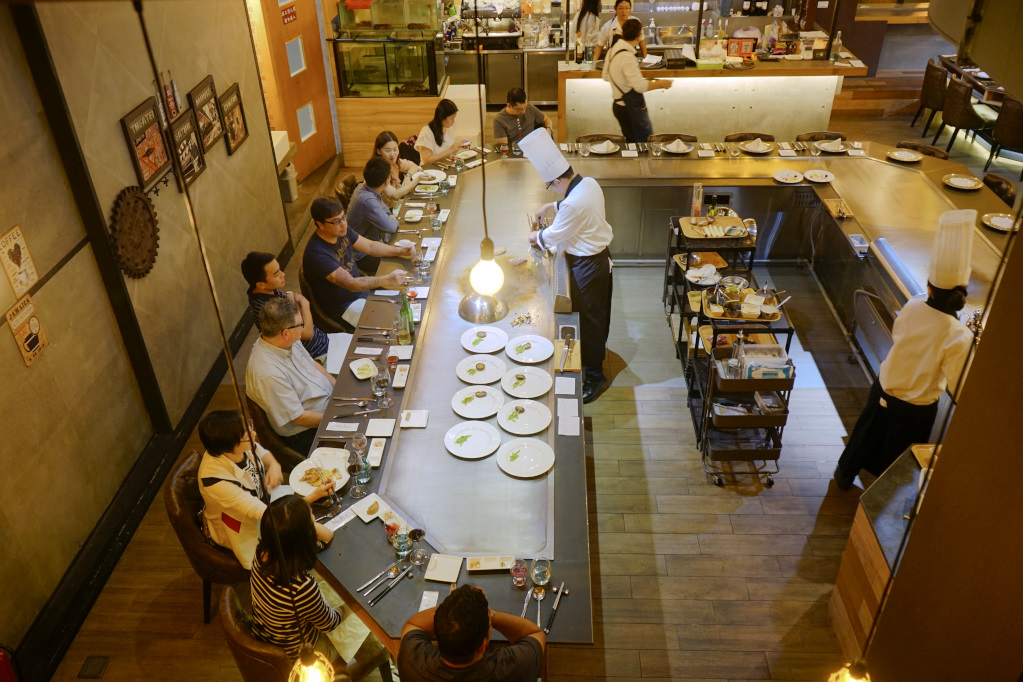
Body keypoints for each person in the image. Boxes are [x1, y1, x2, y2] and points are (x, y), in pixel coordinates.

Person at [834, 209, 976, 491]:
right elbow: (960, 387)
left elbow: (900, 335)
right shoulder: (958, 335)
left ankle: (843, 477)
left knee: (863, 438)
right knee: (896, 462)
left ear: (930, 289)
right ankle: (879, 503)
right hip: (914, 409)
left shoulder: (913, 306)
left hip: (884, 388)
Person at [520, 129, 614, 403]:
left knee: (591, 321)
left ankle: (595, 376)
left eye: (551, 186)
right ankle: (587, 361)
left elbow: (552, 235)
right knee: (588, 318)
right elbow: (570, 202)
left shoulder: (573, 204)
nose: (552, 190)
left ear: (559, 179)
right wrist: (550, 205)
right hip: (592, 260)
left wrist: (534, 236)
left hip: (589, 266)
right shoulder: (589, 184)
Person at [197, 410, 333, 569]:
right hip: (247, 526)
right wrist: (310, 505)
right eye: (246, 435)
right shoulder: (216, 482)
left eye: (249, 426)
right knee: (318, 538)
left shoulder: (236, 444)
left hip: (267, 501)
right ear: (229, 447)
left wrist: (274, 465)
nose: (253, 433)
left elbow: (260, 452)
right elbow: (269, 516)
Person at [250, 495, 342, 662]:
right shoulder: (302, 587)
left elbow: (325, 535)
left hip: (266, 636)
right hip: (299, 654)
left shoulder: (262, 552)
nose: (314, 518)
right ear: (305, 536)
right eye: (312, 517)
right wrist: (348, 608)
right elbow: (329, 623)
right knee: (359, 619)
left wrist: (306, 513)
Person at [397, 584, 544, 681]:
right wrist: (489, 614)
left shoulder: (411, 662)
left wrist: (454, 605)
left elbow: (414, 624)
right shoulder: (515, 668)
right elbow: (534, 634)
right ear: (482, 645)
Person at [245, 297, 335, 454]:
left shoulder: (285, 339)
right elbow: (299, 417)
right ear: (285, 333)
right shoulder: (268, 374)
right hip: (306, 431)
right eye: (300, 324)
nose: (304, 326)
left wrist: (337, 387)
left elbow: (313, 364)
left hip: (328, 404)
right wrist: (335, 418)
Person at [302, 198, 411, 327]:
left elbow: (370, 246)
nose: (343, 224)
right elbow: (352, 284)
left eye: (343, 217)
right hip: (344, 307)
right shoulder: (317, 254)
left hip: (360, 292)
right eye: (336, 221)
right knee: (395, 322)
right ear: (320, 224)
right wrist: (387, 279)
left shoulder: (340, 230)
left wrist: (400, 251)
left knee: (406, 302)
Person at [241, 252, 329, 363]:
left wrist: (290, 297)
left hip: (322, 341)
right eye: (276, 274)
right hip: (316, 355)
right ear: (261, 284)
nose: (283, 274)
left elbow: (289, 305)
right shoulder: (270, 309)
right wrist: (305, 305)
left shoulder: (265, 291)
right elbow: (307, 333)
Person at [602, 18, 670, 143]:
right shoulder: (628, 56)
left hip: (618, 106)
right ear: (639, 37)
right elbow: (639, 87)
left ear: (622, 33)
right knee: (643, 144)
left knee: (632, 143)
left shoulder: (612, 50)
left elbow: (605, 75)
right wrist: (661, 84)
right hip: (631, 108)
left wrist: (623, 80)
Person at [348, 158, 400, 258]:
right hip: (362, 253)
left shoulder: (364, 187)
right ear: (386, 181)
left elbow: (385, 210)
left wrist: (390, 216)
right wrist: (392, 218)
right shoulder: (367, 200)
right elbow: (391, 227)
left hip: (373, 241)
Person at [373, 130, 422, 208]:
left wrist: (407, 177)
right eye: (387, 150)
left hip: (395, 205)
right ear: (378, 151)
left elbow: (414, 166)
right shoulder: (377, 170)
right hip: (384, 211)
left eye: (395, 149)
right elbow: (395, 195)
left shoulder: (394, 163)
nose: (393, 154)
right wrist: (417, 179)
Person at [416, 99, 471, 165]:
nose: (453, 121)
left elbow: (448, 151)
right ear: (442, 117)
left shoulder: (448, 129)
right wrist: (450, 151)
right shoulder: (427, 132)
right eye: (451, 118)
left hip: (445, 167)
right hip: (431, 171)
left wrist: (458, 146)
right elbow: (427, 161)